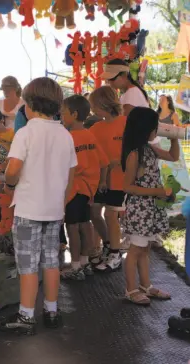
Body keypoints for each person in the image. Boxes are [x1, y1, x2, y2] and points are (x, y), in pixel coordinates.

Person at [0, 77, 77, 335]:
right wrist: (61, 201)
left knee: (28, 265)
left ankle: (26, 315)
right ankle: (52, 311)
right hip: (54, 210)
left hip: (29, 210)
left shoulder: (26, 132)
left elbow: (13, 170)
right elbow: (71, 175)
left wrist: (9, 185)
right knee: (52, 262)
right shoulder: (65, 134)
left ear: (29, 105)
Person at [121, 107, 179, 305]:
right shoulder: (134, 154)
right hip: (140, 210)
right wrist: (158, 192)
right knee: (136, 249)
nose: (157, 129)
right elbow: (128, 186)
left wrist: (174, 138)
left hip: (150, 209)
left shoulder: (149, 148)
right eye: (155, 126)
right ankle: (131, 289)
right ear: (146, 128)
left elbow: (173, 157)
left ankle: (146, 285)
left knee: (145, 249)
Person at [60, 95, 109, 280]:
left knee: (72, 228)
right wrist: (102, 181)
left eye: (64, 113)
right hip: (89, 190)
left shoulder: (69, 138)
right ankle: (85, 261)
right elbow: (104, 162)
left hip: (74, 189)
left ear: (73, 114)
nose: (62, 116)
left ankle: (74, 265)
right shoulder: (90, 135)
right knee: (85, 225)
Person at [88, 86, 127, 272]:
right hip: (100, 179)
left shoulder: (126, 123)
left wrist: (118, 161)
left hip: (120, 180)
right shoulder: (96, 127)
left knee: (111, 215)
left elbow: (136, 150)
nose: (93, 110)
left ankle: (115, 252)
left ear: (104, 103)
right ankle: (109, 244)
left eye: (94, 105)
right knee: (95, 213)